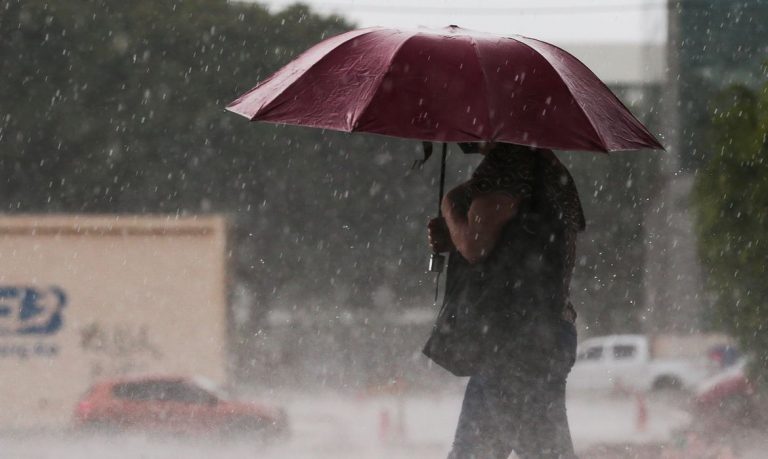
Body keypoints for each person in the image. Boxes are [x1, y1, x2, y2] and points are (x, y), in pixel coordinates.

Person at [425, 142, 585, 459]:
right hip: (540, 333)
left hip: (512, 342)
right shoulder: (549, 168)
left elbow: (474, 244)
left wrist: (449, 208)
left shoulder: (509, 162)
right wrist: (455, 233)